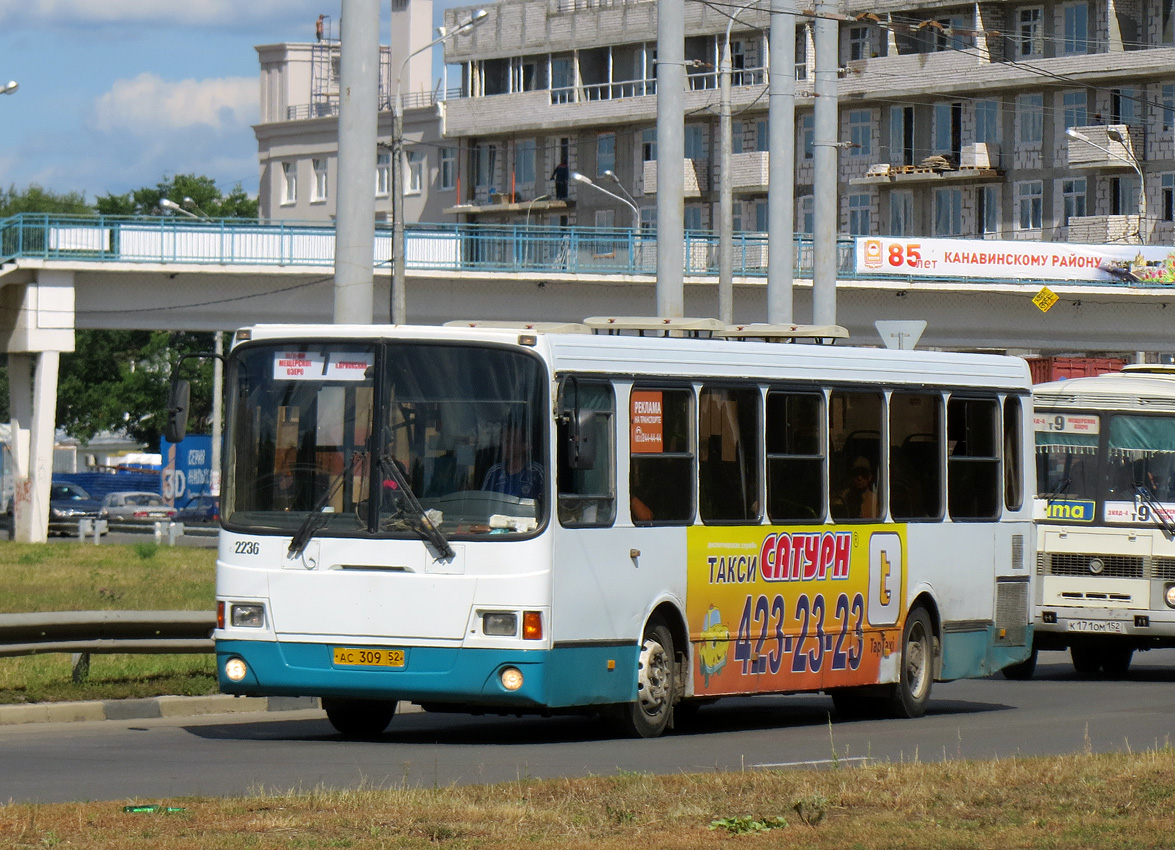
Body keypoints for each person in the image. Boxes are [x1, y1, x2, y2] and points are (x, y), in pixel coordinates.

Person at [482, 424, 543, 499]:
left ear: (525, 446)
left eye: (510, 442)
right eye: (503, 442)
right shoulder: (494, 472)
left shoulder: (537, 472)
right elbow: (485, 500)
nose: (505, 446)